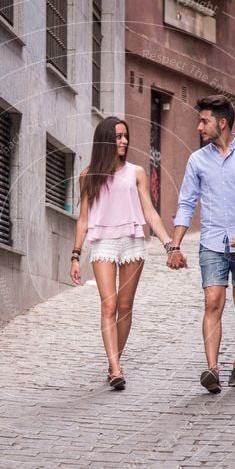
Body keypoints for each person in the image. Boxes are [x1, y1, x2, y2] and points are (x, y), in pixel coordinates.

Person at [167, 96, 235, 393]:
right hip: (212, 241)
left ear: (221, 123)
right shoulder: (197, 160)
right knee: (212, 301)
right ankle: (212, 369)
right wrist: (174, 246)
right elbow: (186, 203)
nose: (199, 127)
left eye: (204, 121)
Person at [71, 116, 175, 390]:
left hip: (131, 242)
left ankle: (113, 359)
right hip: (103, 243)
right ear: (106, 140)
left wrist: (169, 244)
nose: (124, 141)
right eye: (118, 136)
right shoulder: (87, 176)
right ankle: (116, 369)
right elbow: (83, 219)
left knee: (125, 307)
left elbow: (149, 212)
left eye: (125, 136)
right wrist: (75, 254)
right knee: (109, 304)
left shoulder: (136, 172)